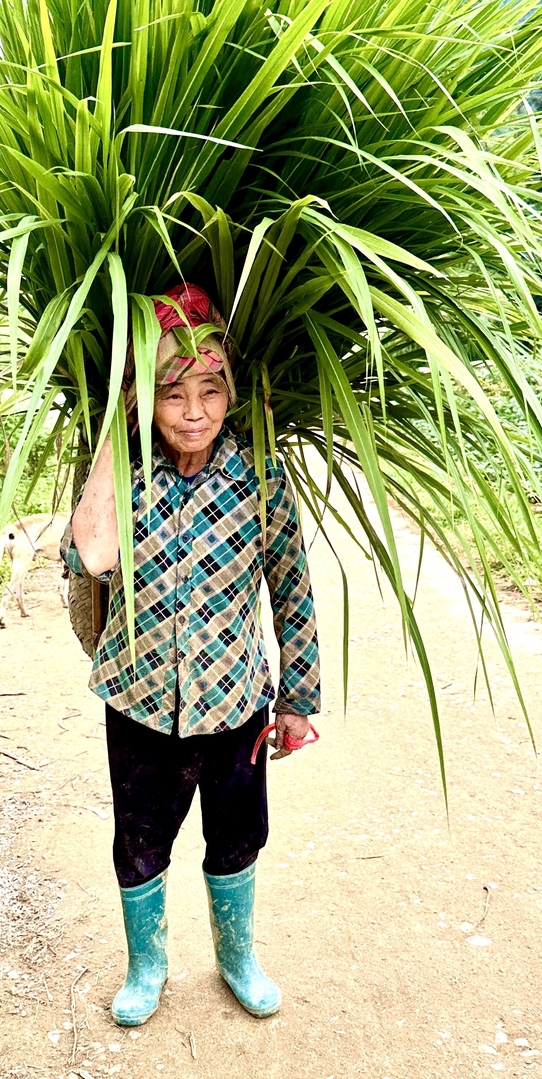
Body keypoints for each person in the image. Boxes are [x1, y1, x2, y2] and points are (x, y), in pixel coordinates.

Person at [61, 284, 320, 1027]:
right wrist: (117, 421)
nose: (196, 411)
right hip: (139, 700)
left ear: (231, 392)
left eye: (211, 389)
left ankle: (236, 955)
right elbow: (89, 557)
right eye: (174, 392)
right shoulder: (128, 477)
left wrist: (298, 698)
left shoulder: (260, 476)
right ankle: (148, 964)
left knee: (237, 837)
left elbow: (292, 590)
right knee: (139, 841)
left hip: (236, 702)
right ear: (149, 398)